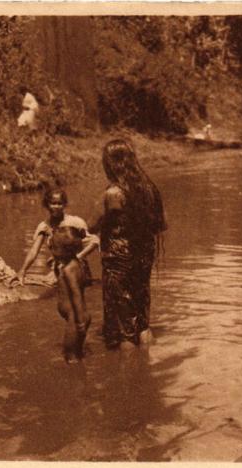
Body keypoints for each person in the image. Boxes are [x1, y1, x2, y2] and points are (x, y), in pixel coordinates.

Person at [90, 139, 167, 349]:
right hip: (144, 256)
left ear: (112, 164)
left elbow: (92, 225)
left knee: (125, 328)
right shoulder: (149, 189)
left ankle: (129, 376)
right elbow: (160, 225)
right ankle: (146, 369)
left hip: (118, 260)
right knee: (142, 322)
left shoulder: (114, 193)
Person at [15, 185, 99, 286]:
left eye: (60, 204)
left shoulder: (75, 222)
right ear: (47, 205)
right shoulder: (44, 226)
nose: (57, 207)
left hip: (77, 267)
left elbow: (95, 241)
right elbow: (34, 251)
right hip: (59, 268)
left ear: (64, 205)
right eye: (53, 203)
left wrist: (77, 257)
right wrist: (23, 270)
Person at [50, 226, 91, 362]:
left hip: (75, 318)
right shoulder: (75, 264)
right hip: (78, 317)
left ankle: (77, 381)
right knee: (78, 354)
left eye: (54, 248)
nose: (51, 250)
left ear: (65, 251)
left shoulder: (69, 271)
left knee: (71, 358)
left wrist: (79, 323)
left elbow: (76, 294)